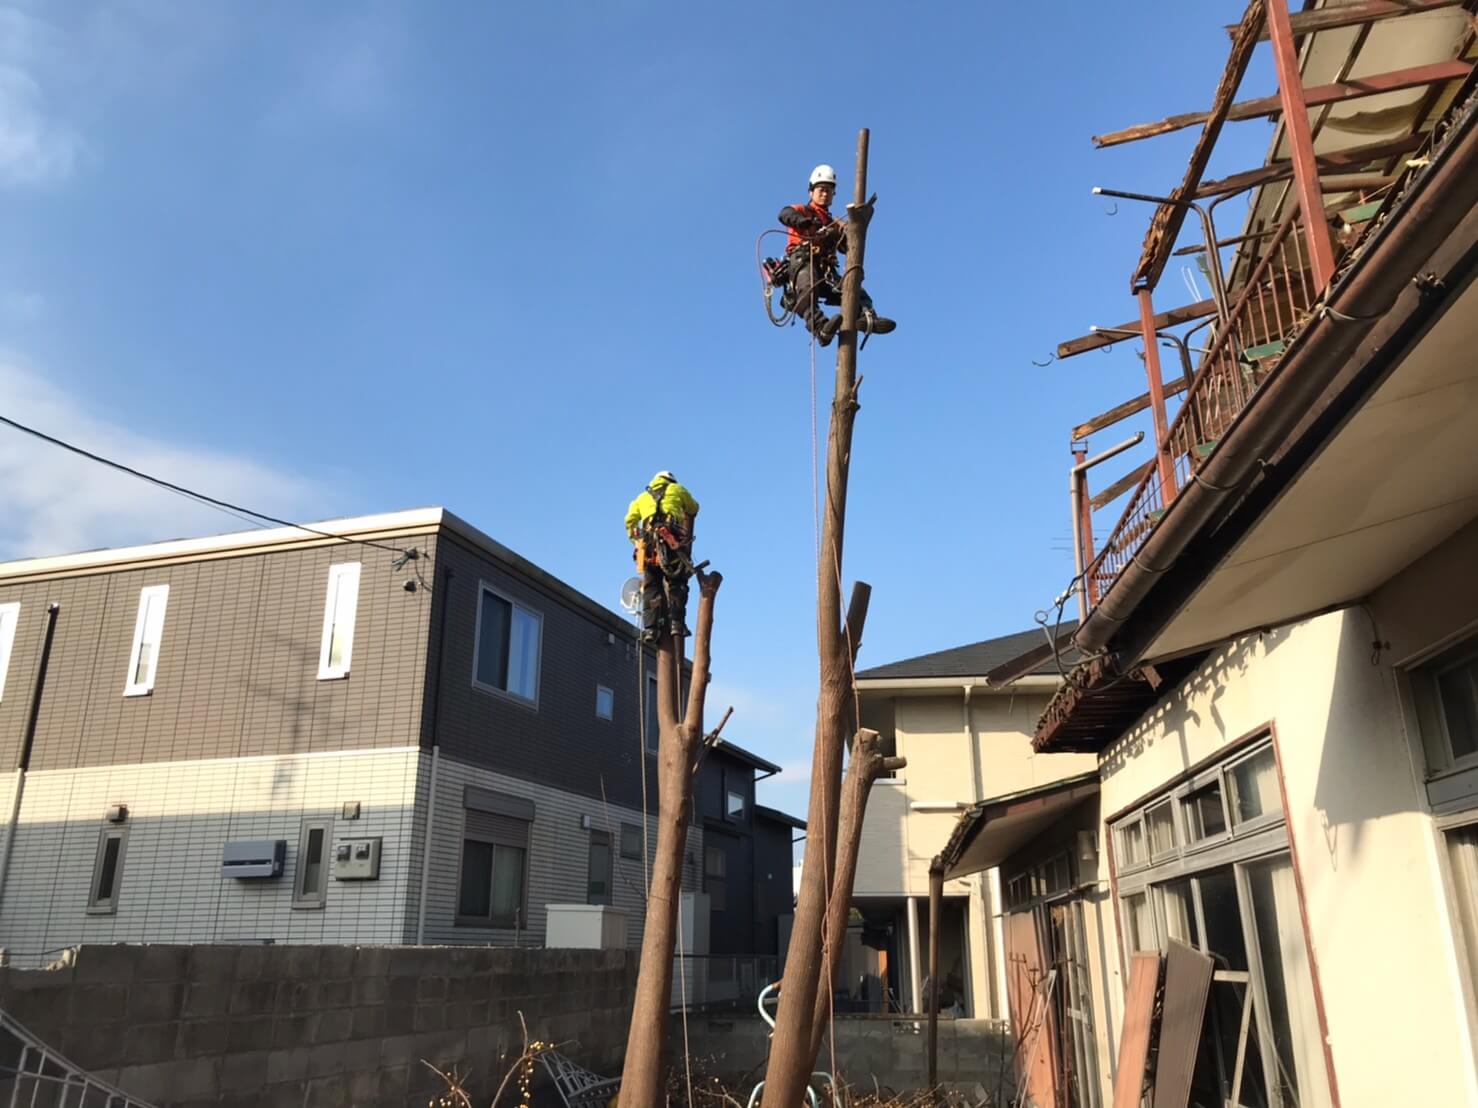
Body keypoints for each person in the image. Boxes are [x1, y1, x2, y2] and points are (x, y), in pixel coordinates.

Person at [778, 164, 896, 347]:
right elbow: (785, 213)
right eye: (821, 190)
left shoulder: (834, 223)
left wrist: (844, 235)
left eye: (829, 191)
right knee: (807, 288)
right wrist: (803, 221)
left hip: (826, 271)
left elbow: (847, 245)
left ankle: (866, 316)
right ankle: (821, 328)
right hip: (803, 261)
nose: (825, 194)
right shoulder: (803, 210)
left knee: (854, 290)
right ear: (811, 192)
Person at [624, 471, 700, 643]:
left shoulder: (642, 497)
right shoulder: (677, 489)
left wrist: (635, 540)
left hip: (649, 544)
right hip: (669, 540)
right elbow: (694, 508)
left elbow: (629, 520)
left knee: (651, 586)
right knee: (677, 583)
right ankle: (676, 624)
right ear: (671, 481)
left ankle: (650, 629)